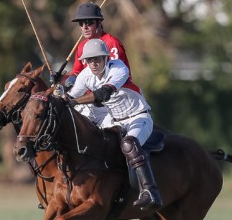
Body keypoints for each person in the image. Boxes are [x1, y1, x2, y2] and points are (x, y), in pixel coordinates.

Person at [65, 38, 162, 210]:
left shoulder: (118, 68)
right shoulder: (85, 75)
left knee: (129, 143)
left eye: (97, 59)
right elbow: (69, 98)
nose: (93, 63)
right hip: (115, 120)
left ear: (106, 58)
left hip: (138, 117)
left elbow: (103, 93)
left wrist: (73, 101)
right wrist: (59, 92)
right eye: (89, 60)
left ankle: (150, 192)